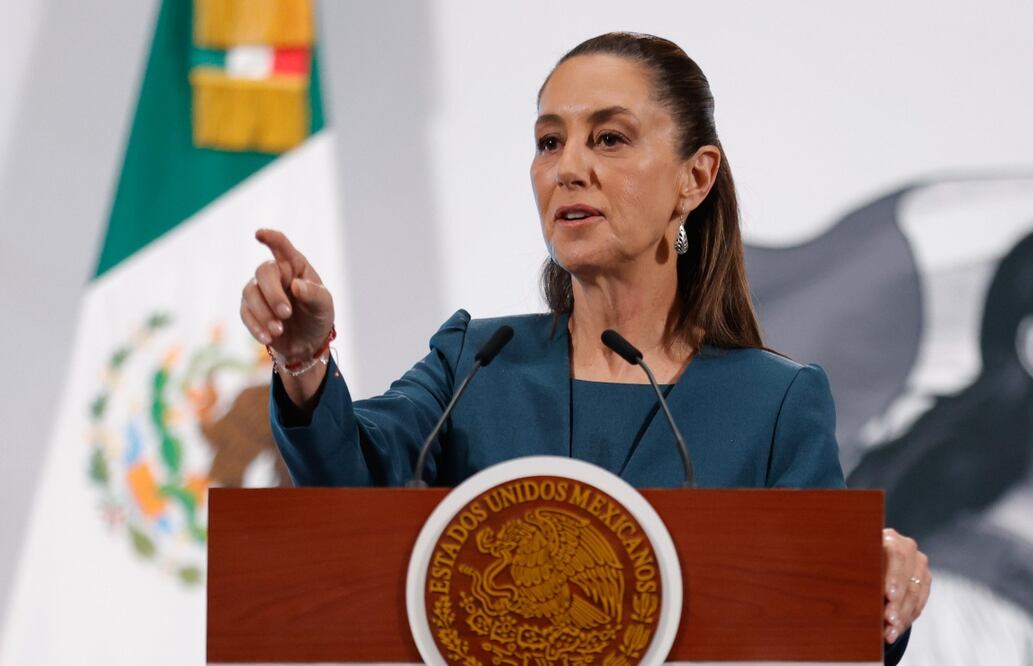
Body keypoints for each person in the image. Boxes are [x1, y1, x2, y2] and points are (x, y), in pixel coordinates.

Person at [238, 32, 928, 663]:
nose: (567, 168)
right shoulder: (474, 363)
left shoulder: (771, 401)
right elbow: (343, 489)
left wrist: (878, 580)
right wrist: (302, 360)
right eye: (547, 142)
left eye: (608, 139)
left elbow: (831, 629)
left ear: (695, 177)